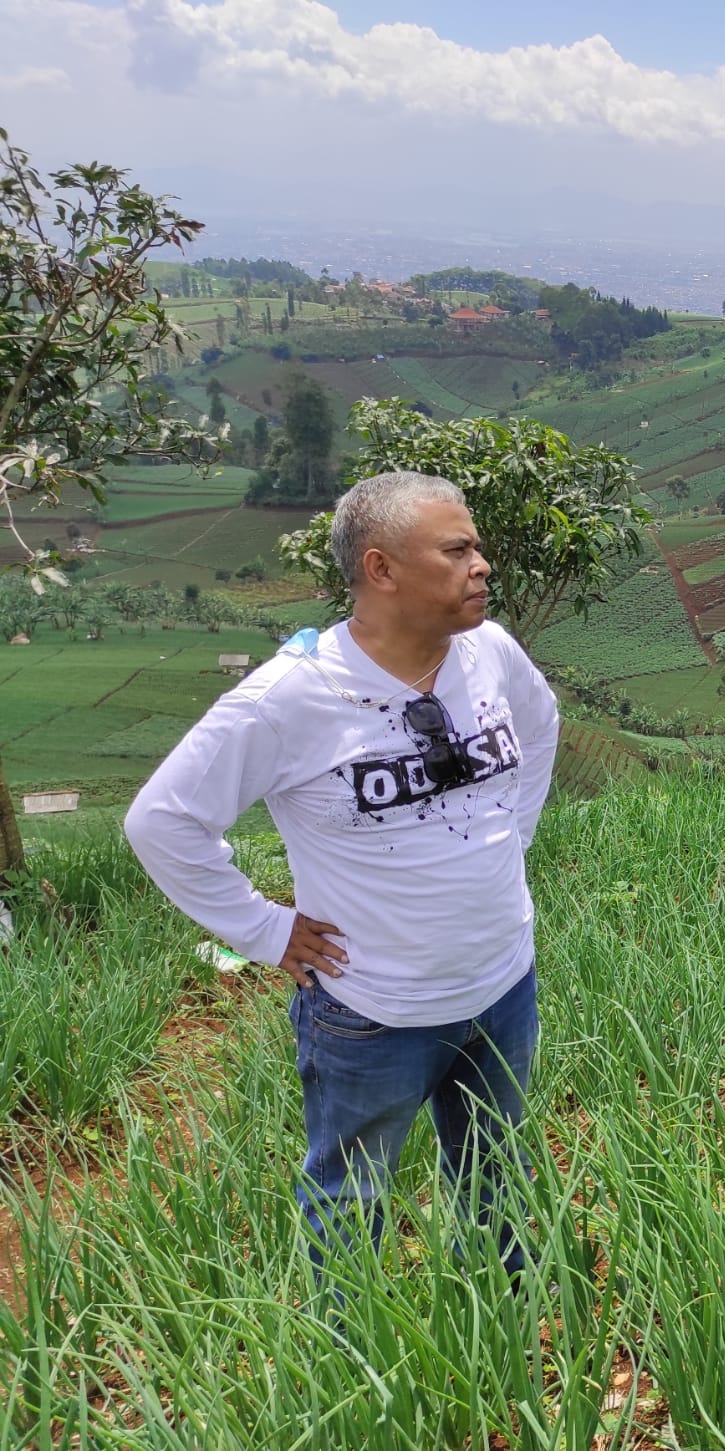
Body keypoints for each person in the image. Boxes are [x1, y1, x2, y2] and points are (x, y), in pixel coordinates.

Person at [125, 471, 559, 1275]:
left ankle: (505, 1328)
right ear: (381, 567)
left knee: (495, 1171)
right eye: (457, 548)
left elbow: (540, 723)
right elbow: (162, 821)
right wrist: (266, 929)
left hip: (503, 986)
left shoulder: (489, 651)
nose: (483, 563)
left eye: (479, 546)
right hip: (373, 1011)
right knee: (350, 1201)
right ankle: (349, 1375)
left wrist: (511, 837)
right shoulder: (291, 699)